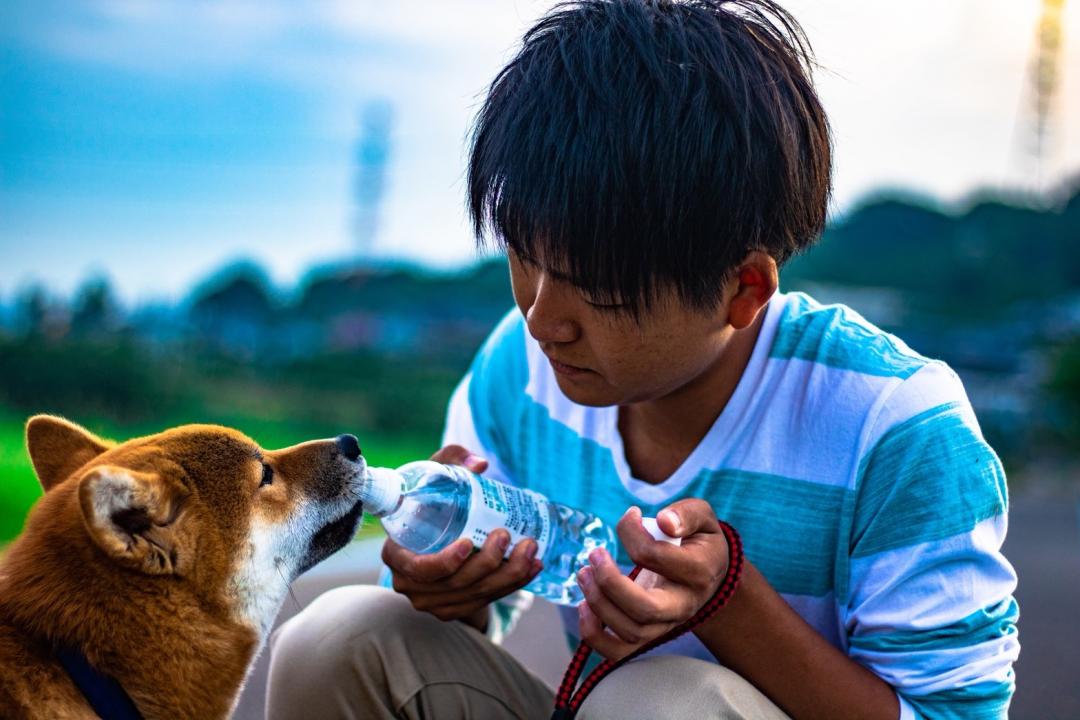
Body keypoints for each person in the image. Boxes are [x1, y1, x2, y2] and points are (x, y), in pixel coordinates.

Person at [266, 1, 1019, 718]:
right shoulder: (521, 370)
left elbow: (951, 714)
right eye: (524, 257)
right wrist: (452, 589)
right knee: (337, 644)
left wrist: (731, 605)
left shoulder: (895, 429)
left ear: (742, 289)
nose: (543, 319)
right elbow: (477, 629)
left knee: (660, 704)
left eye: (600, 290)